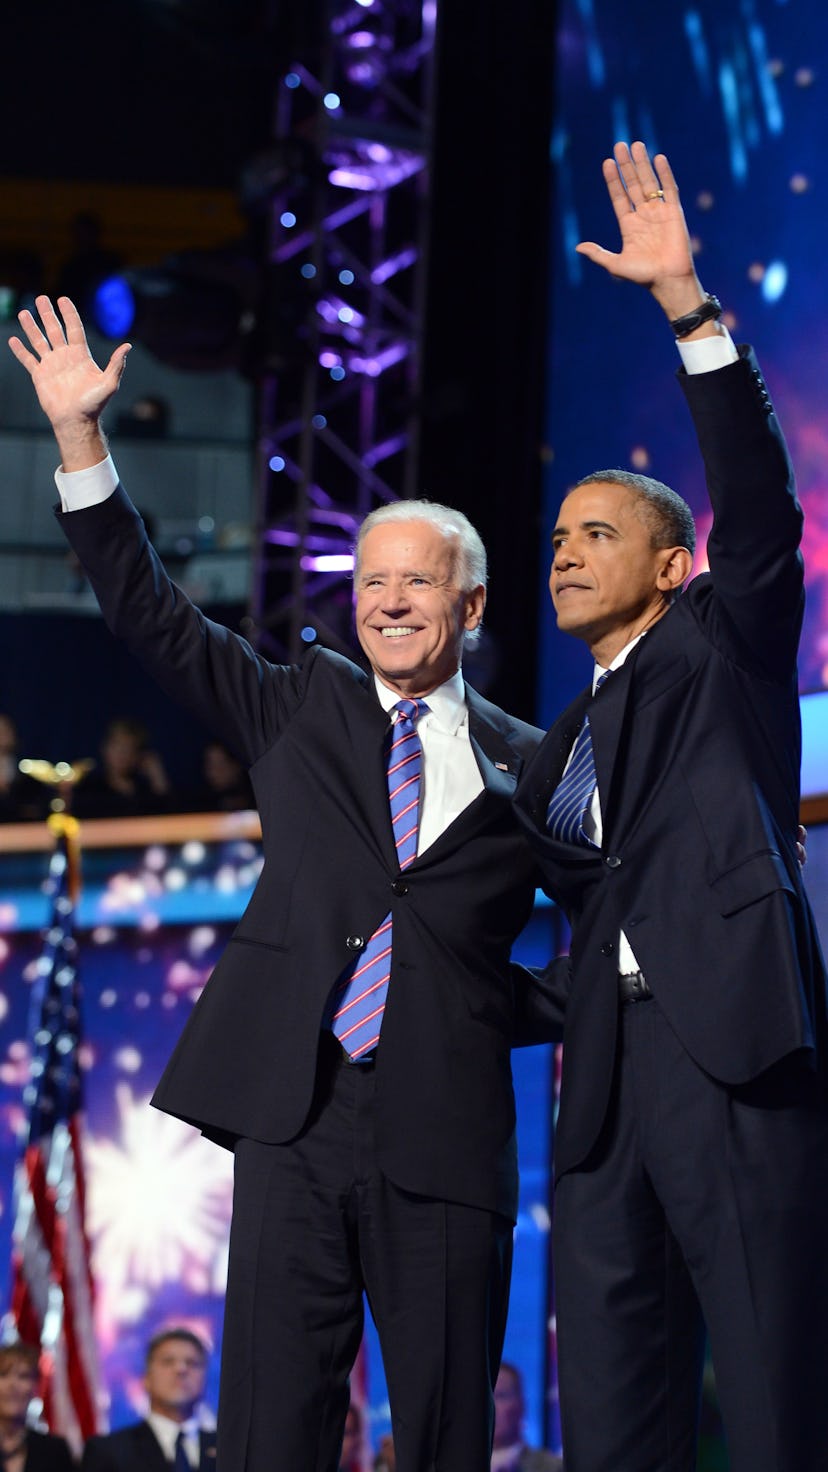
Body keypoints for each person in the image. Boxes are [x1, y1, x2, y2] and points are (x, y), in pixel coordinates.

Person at [8, 296, 569, 1472]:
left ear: (469, 604)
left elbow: (605, 924)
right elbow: (152, 617)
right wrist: (79, 443)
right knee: (273, 1423)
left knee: (447, 1429)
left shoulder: (535, 763)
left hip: (448, 1128)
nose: (388, 601)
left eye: (417, 584)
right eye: (370, 582)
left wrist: (490, 1007)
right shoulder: (297, 703)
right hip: (293, 1116)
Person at [513, 141, 828, 1471]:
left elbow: (760, 506)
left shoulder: (726, 641)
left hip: (736, 1054)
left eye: (598, 532)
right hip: (603, 1102)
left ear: (675, 560)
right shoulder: (558, 749)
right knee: (611, 1422)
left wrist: (689, 310)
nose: (566, 553)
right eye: (558, 538)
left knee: (764, 1395)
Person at [80, 1329, 214, 1472]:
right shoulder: (107, 1450)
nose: (181, 1369)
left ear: (205, 1378)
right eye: (168, 1362)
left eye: (192, 1363)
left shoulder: (231, 1448)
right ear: (146, 1379)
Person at [73, 717, 172, 819]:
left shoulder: (146, 792)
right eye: (117, 745)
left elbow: (167, 821)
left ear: (138, 755)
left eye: (129, 748)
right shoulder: (89, 789)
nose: (122, 754)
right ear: (105, 748)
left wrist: (158, 779)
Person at [0, 1343, 73, 1472]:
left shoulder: (55, 1451)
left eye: (23, 1376)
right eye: (3, 1374)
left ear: (35, 1387)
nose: (13, 1384)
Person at [491, 1362, 561, 1472]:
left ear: (521, 1405)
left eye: (501, 1396)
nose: (492, 1407)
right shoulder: (458, 1463)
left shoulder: (553, 1468)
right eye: (487, 1398)